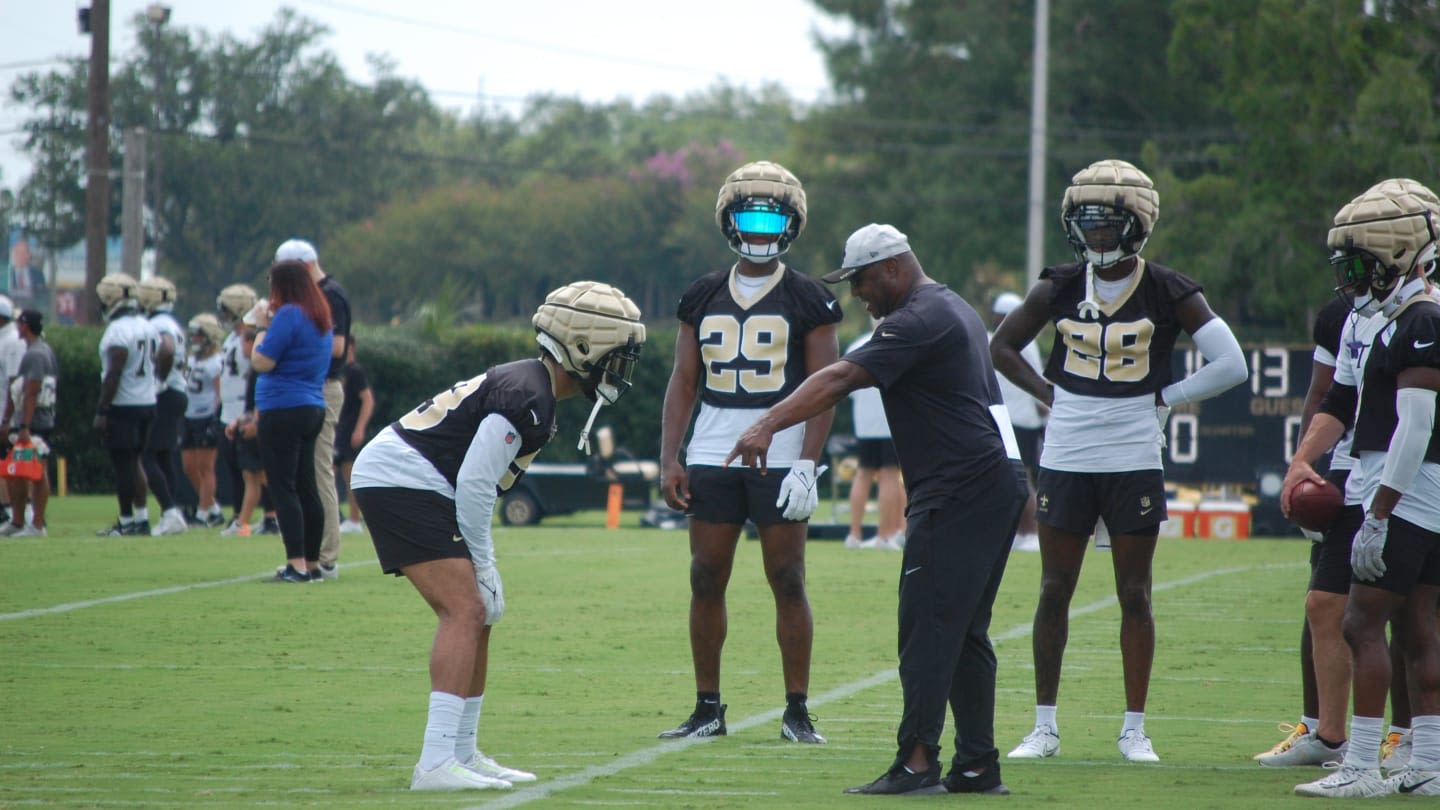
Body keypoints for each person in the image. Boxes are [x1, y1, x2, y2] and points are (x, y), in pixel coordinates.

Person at [727, 223, 1025, 795]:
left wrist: (765, 423)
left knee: (927, 628)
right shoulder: (952, 306)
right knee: (964, 632)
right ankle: (977, 765)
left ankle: (917, 762)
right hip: (991, 481)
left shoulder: (918, 318)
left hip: (961, 487)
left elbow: (839, 376)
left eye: (861, 280)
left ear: (891, 267)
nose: (857, 293)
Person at [991, 159, 1248, 763]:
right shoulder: (1055, 285)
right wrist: (1048, 393)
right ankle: (1045, 726)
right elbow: (999, 347)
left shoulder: (1169, 288)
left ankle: (1134, 728)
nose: (1094, 238)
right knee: (1054, 587)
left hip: (1133, 448)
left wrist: (1166, 398)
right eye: (1086, 226)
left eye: (1106, 226)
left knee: (1135, 592)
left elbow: (1231, 363)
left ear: (1136, 226)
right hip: (1068, 447)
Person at [351, 281, 645, 791]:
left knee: (478, 611)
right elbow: (476, 483)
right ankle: (436, 761)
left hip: (417, 478)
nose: (619, 369)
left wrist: (484, 566)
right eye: (614, 356)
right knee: (465, 608)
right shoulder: (527, 395)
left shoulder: (535, 389)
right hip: (402, 478)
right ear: (582, 347)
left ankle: (461, 752)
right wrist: (484, 563)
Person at [657, 160, 840, 744]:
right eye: (749, 215)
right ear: (727, 220)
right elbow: (683, 380)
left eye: (771, 216)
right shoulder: (702, 292)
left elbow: (827, 385)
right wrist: (670, 457)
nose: (760, 228)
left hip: (780, 453)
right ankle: (707, 708)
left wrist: (809, 462)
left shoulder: (809, 296)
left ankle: (797, 711)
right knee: (705, 577)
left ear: (793, 223)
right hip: (712, 451)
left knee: (788, 577)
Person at [1289, 185, 1440, 798]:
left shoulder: (1422, 318)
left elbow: (1416, 425)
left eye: (1360, 264)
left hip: (1408, 490)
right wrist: (1306, 459)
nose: (1351, 278)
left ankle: (1361, 766)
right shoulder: (1394, 317)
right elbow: (1344, 401)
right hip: (1417, 490)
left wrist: (1379, 511)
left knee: (1360, 623)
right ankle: (1428, 760)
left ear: (1399, 256)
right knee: (1418, 627)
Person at [1258, 295, 1366, 769]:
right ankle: (1328, 733)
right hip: (1351, 470)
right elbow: (1330, 394)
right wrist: (1306, 462)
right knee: (1324, 601)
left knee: (1411, 613)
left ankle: (1411, 740)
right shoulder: (1345, 317)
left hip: (1419, 474)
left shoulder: (1425, 316)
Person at [249, 260, 333, 583]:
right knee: (306, 486)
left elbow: (262, 360)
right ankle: (311, 563)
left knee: (283, 486)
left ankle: (295, 563)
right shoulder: (319, 314)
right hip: (312, 406)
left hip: (283, 407)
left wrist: (260, 327)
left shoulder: (289, 315)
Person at [275, 239, 351, 580]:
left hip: (321, 386)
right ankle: (310, 554)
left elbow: (337, 349)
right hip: (311, 387)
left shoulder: (330, 294)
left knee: (318, 471)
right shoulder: (321, 294)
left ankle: (324, 556)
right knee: (308, 472)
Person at [93, 273, 162, 536]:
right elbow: (164, 351)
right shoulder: (147, 325)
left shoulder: (118, 330)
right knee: (135, 462)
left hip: (124, 404)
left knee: (124, 465)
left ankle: (126, 521)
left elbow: (113, 373)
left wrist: (102, 410)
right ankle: (142, 519)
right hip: (147, 401)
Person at [990, 291, 1048, 552]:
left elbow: (1036, 381)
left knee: (1021, 479)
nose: (996, 321)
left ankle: (1031, 533)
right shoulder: (998, 340)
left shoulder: (1025, 343)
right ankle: (1019, 532)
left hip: (1021, 421)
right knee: (1011, 480)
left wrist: (1045, 410)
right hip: (1007, 419)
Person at [842, 321, 905, 551]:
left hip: (864, 423)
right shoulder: (898, 345)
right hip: (889, 422)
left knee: (863, 472)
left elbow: (846, 385)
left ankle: (854, 534)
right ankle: (885, 535)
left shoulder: (858, 345)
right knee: (890, 474)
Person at [138, 277, 190, 536]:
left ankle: (170, 511)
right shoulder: (172, 323)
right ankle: (173, 513)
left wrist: (157, 381)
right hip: (178, 391)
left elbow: (167, 350)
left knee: (147, 455)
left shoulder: (158, 323)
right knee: (164, 455)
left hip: (167, 392)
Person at [0, 309, 57, 536]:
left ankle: (36, 524)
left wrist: (23, 425)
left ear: (25, 326)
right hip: (37, 419)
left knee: (34, 472)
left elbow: (31, 392)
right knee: (18, 471)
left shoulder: (35, 354)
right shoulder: (43, 350)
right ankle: (18, 521)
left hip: (35, 422)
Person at [215, 284, 257, 533]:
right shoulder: (232, 337)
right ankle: (238, 516)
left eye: (228, 310)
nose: (224, 315)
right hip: (228, 409)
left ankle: (248, 519)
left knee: (251, 471)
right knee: (234, 468)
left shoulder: (251, 336)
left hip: (244, 408)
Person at [182, 313, 227, 527]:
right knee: (189, 466)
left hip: (206, 417)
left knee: (206, 467)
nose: (195, 339)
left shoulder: (217, 362)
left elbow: (221, 394)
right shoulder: (191, 359)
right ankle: (213, 509)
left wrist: (215, 420)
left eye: (199, 335)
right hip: (189, 416)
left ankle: (202, 515)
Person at [335, 338, 374, 533]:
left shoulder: (355, 371)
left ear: (350, 347)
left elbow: (368, 400)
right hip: (338, 430)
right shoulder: (339, 371)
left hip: (349, 431)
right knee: (328, 472)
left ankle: (354, 520)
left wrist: (359, 428)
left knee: (351, 476)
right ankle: (335, 516)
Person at [0, 295, 27, 523]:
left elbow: (14, 383)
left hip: (6, 413)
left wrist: (7, 418)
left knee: (16, 463)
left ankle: (14, 512)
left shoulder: (12, 341)